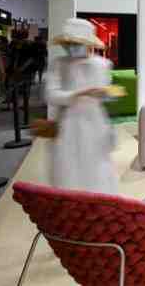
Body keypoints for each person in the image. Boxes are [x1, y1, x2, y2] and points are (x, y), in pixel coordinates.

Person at [47, 18, 117, 193]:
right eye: (69, 43)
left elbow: (106, 94)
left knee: (97, 165)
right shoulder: (58, 64)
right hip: (68, 123)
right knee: (69, 167)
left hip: (95, 120)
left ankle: (98, 202)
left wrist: (107, 94)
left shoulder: (102, 64)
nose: (72, 47)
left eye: (77, 43)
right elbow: (51, 94)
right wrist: (79, 94)